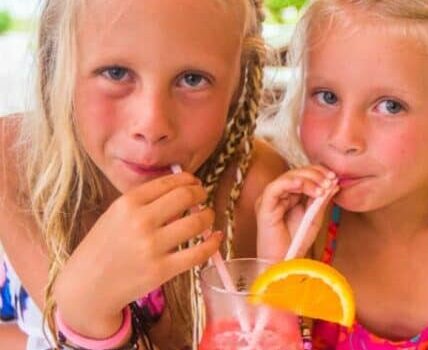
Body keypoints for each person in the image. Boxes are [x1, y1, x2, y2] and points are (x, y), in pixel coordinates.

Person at [0, 0, 288, 349]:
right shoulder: (14, 161)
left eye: (192, 79)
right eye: (116, 73)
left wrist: (85, 318)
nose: (152, 125)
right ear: (56, 61)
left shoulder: (257, 194)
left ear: (238, 85)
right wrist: (84, 313)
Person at [257, 0, 428, 348]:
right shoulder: (307, 230)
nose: (343, 139)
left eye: (390, 106)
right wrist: (277, 264)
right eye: (326, 96)